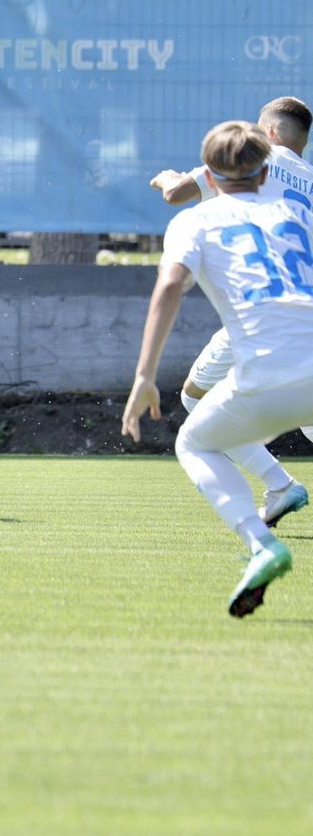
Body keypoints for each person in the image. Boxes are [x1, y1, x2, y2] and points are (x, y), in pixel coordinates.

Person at [123, 119, 313, 617]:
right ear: (263, 168)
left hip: (268, 373)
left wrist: (144, 376)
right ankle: (280, 492)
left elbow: (169, 288)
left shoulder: (195, 221)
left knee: (194, 440)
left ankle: (262, 542)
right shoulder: (299, 211)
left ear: (210, 171)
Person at [149, 96, 313, 528]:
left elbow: (176, 195)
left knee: (192, 398)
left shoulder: (251, 161)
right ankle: (279, 487)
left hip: (264, 313)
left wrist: (167, 178)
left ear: (271, 135)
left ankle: (278, 484)